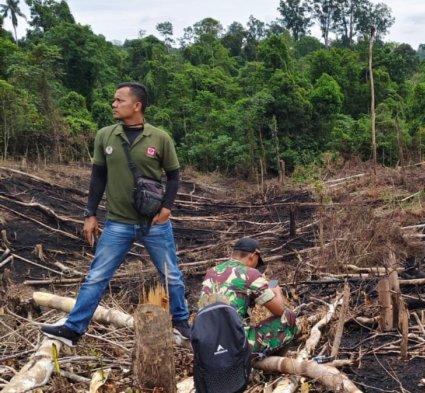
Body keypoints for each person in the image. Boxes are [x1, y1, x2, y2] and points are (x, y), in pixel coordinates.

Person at [41, 82, 190, 346]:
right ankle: (74, 329)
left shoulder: (159, 137)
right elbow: (98, 177)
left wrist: (167, 208)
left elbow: (174, 176)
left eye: (119, 100)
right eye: (114, 100)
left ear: (137, 105)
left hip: (153, 221)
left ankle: (181, 324)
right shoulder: (105, 135)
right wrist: (90, 214)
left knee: (171, 275)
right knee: (97, 276)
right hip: (118, 223)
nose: (114, 104)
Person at [199, 237, 298, 355]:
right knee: (289, 318)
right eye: (257, 261)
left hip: (205, 341)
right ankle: (268, 362)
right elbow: (279, 310)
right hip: (234, 344)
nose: (256, 266)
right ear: (253, 255)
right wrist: (276, 290)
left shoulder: (211, 272)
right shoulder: (251, 274)